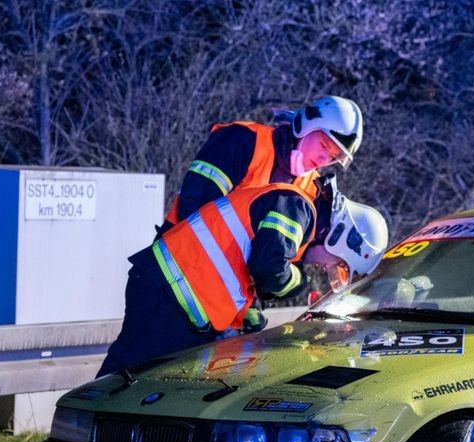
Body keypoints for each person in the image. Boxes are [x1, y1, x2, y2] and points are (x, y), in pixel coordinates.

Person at [97, 181, 388, 378]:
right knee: (123, 376)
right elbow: (267, 267)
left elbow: (237, 264)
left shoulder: (294, 216)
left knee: (147, 384)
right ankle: (76, 435)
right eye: (337, 265)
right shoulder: (296, 208)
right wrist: (299, 283)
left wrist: (242, 314)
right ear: (340, 240)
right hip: (167, 291)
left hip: (174, 296)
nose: (325, 269)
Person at [158, 95, 364, 237]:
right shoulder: (242, 141)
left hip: (227, 293)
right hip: (169, 272)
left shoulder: (310, 191)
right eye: (323, 146)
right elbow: (194, 207)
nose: (323, 159)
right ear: (306, 126)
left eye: (333, 157)